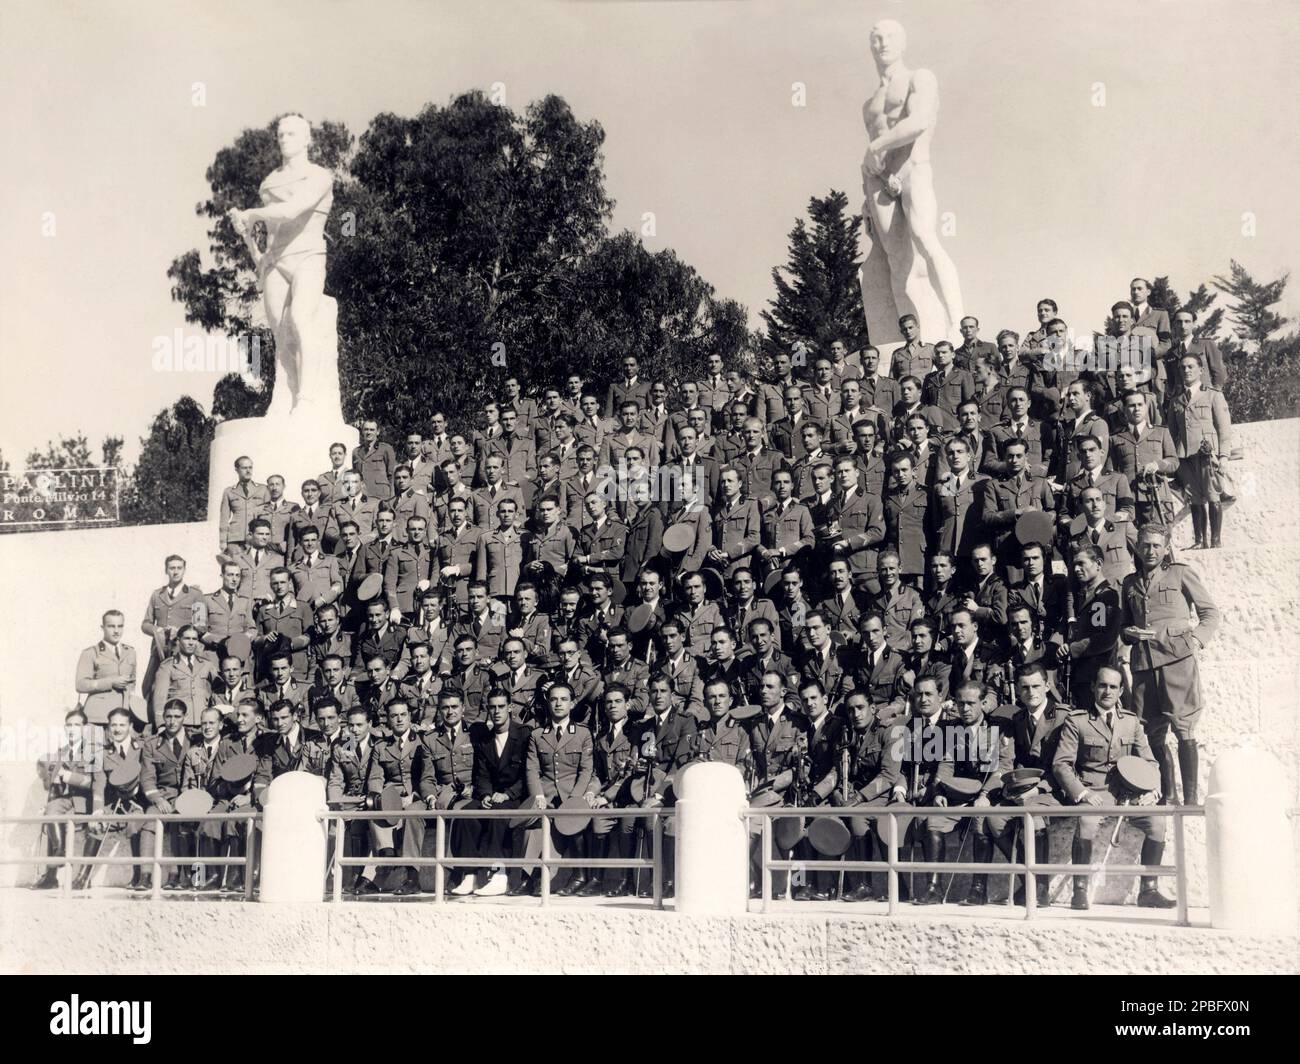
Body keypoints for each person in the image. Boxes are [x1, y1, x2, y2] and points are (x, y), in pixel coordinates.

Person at [1052, 666, 1174, 910]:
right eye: (1102, 685)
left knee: (1158, 823)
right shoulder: (1077, 721)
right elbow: (1061, 764)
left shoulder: (1131, 723)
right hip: (1095, 792)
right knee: (1086, 821)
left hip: (1130, 793)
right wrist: (1083, 793)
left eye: (1113, 687)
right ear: (1093, 687)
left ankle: (1149, 890)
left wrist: (1152, 791)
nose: (1107, 691)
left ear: (1120, 692)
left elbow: (1150, 761)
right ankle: (1080, 890)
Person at [1121, 523, 1219, 806]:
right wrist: (1127, 634)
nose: (1149, 551)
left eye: (1155, 546)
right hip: (1143, 666)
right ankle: (1168, 794)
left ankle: (1190, 798)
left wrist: (1196, 642)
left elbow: (1210, 613)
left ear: (1165, 548)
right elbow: (1125, 625)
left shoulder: (1180, 573)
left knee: (1183, 727)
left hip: (1177, 661)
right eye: (1144, 545)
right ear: (1137, 547)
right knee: (1151, 731)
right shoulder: (1129, 583)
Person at [518, 682, 595, 896]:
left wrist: (575, 799)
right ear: (547, 703)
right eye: (553, 699)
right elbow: (532, 769)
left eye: (563, 699)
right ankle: (528, 877)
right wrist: (539, 795)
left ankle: (577, 875)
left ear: (572, 704)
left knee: (574, 823)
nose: (558, 703)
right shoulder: (537, 734)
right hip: (548, 795)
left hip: (573, 794)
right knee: (533, 827)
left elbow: (586, 769)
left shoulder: (582, 733)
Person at [1167, 352, 1233, 549]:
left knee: (1213, 495)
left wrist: (1223, 457)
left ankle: (1215, 540)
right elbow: (1171, 433)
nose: (1186, 370)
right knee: (1194, 498)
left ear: (1201, 370)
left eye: (1191, 366)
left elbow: (1224, 429)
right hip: (1185, 456)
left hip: (1207, 454)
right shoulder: (1175, 401)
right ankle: (1198, 541)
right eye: (1183, 367)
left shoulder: (1213, 394)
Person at [32, 708, 96, 890]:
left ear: (85, 729)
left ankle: (82, 876)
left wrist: (68, 776)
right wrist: (47, 803)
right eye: (69, 725)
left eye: (77, 725)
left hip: (86, 800)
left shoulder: (93, 752)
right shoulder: (61, 752)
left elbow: (95, 782)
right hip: (65, 799)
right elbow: (53, 785)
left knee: (90, 824)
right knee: (51, 811)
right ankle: (59, 854)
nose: (72, 729)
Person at [75, 610, 138, 729]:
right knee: (95, 748)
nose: (116, 631)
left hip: (122, 718)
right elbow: (80, 684)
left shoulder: (131, 652)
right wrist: (111, 682)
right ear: (102, 627)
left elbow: (132, 684)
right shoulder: (91, 653)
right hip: (98, 718)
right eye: (111, 626)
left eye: (120, 626)